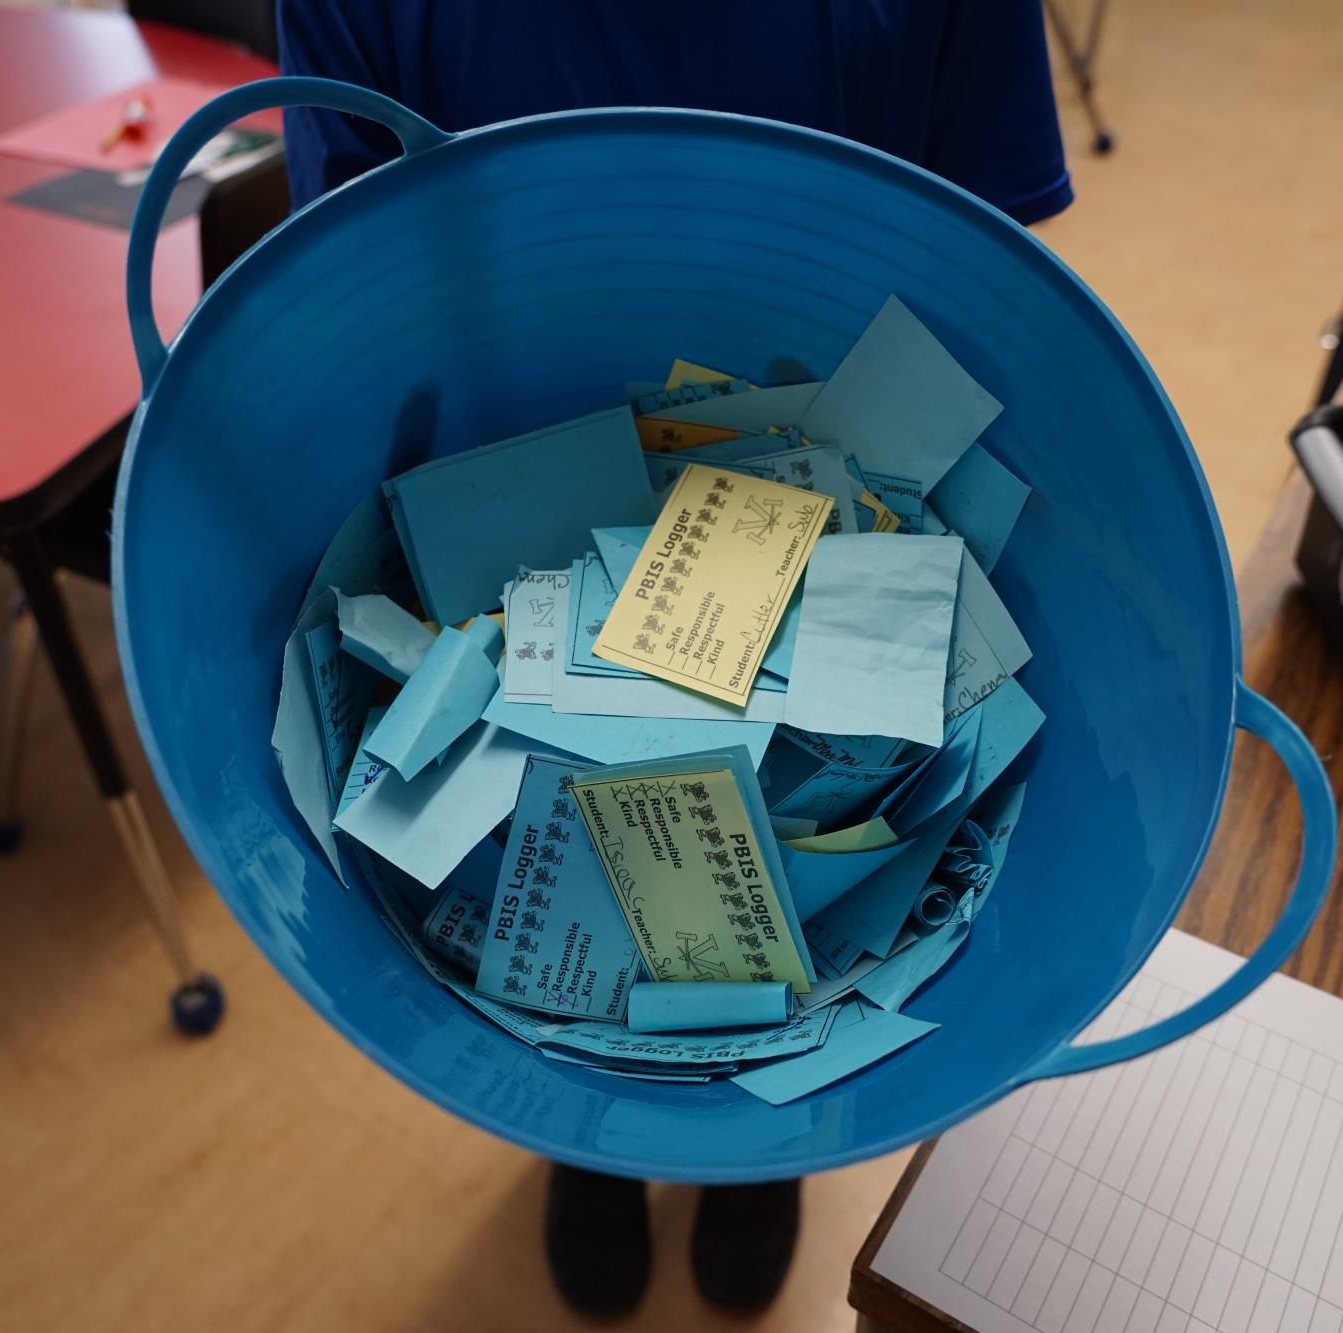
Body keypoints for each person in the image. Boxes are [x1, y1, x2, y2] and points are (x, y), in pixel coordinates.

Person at [275, 1, 1069, 1317]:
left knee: (789, 870)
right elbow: (337, 300)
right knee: (544, 876)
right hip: (504, 475)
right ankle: (585, 1120)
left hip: (828, 468)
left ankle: (748, 1124)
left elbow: (987, 269)